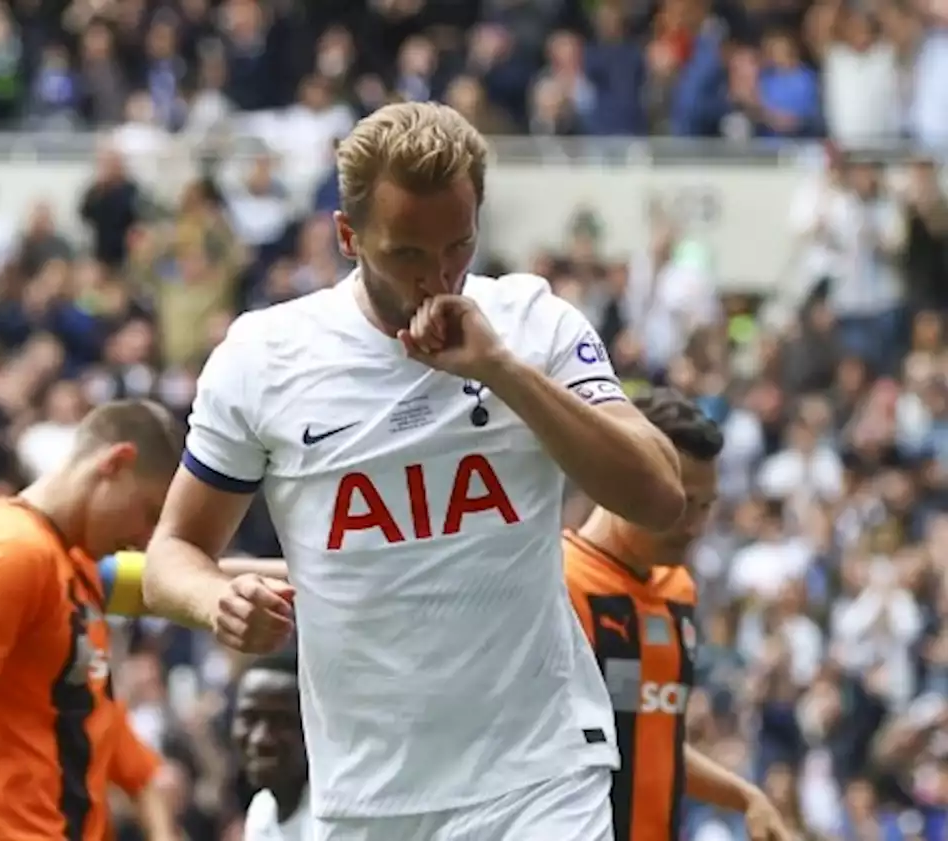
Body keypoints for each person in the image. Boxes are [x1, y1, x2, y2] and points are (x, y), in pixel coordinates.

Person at [142, 100, 685, 841]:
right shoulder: (264, 357)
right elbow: (172, 551)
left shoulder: (532, 322)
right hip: (365, 795)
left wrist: (501, 369)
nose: (439, 276)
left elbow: (658, 494)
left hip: (539, 776)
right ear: (347, 236)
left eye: (458, 244)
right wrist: (214, 600)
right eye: (406, 254)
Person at [0, 399, 184, 841]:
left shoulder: (76, 562)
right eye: (148, 513)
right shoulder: (10, 550)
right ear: (117, 463)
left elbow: (182, 580)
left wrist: (311, 578)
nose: (143, 539)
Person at [564, 389, 794, 841]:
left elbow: (656, 738)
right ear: (623, 478)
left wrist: (747, 797)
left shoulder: (678, 589)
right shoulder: (562, 586)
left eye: (707, 506)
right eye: (682, 503)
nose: (694, 527)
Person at [233, 648, 311, 841]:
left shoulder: (337, 815)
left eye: (282, 721)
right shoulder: (262, 812)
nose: (261, 739)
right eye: (249, 718)